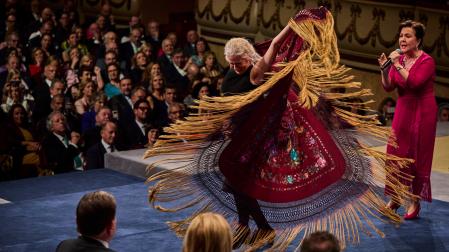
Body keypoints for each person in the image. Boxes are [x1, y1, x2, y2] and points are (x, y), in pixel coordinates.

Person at [147, 7, 413, 251]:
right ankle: (254, 227)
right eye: (229, 62)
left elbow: (275, 43)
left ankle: (255, 228)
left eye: (237, 61)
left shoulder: (256, 70)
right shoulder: (230, 73)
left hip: (256, 139)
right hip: (238, 136)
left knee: (239, 184)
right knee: (238, 184)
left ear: (247, 57)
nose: (232, 66)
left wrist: (294, 22)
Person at [378, 20, 437, 220]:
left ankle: (414, 201)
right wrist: (384, 70)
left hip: (423, 112)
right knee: (395, 152)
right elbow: (388, 87)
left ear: (418, 40)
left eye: (408, 36)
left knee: (417, 155)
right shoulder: (399, 61)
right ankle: (394, 198)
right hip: (403, 110)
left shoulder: (427, 61)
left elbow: (414, 82)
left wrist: (395, 63)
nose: (403, 39)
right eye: (401, 35)